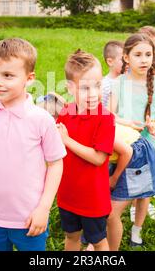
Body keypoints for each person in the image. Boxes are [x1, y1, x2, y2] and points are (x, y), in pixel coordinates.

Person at [0, 38, 66, 251]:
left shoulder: (41, 119)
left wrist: (44, 208)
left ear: (29, 79)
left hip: (29, 219)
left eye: (8, 75)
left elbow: (55, 164)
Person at [107, 33, 155, 248]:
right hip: (122, 145)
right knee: (116, 187)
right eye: (138, 55)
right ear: (126, 58)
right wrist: (128, 123)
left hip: (148, 146)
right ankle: (102, 228)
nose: (144, 60)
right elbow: (109, 115)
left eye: (148, 55)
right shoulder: (118, 83)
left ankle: (137, 230)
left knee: (144, 192)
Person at [55, 49, 115, 251]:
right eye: (85, 88)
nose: (93, 94)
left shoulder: (105, 118)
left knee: (97, 241)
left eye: (97, 86)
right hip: (67, 193)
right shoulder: (65, 112)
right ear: (70, 88)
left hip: (93, 198)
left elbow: (98, 158)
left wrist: (67, 140)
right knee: (71, 237)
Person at [101, 40, 124, 108]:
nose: (127, 62)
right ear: (110, 62)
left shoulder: (128, 79)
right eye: (122, 59)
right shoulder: (105, 85)